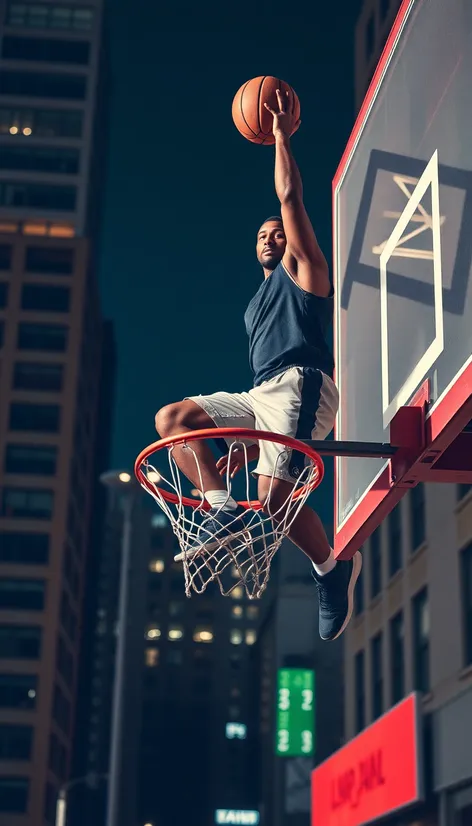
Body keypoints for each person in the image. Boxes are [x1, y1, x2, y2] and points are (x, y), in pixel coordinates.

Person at [155, 89, 362, 641]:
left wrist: (280, 137)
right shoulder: (254, 306)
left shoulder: (308, 273)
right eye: (262, 236)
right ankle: (220, 509)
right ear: (254, 250)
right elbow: (258, 405)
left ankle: (331, 567)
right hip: (262, 394)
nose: (272, 238)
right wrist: (242, 447)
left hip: (303, 384)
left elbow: (291, 198)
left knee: (273, 504)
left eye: (278, 233)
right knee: (173, 420)